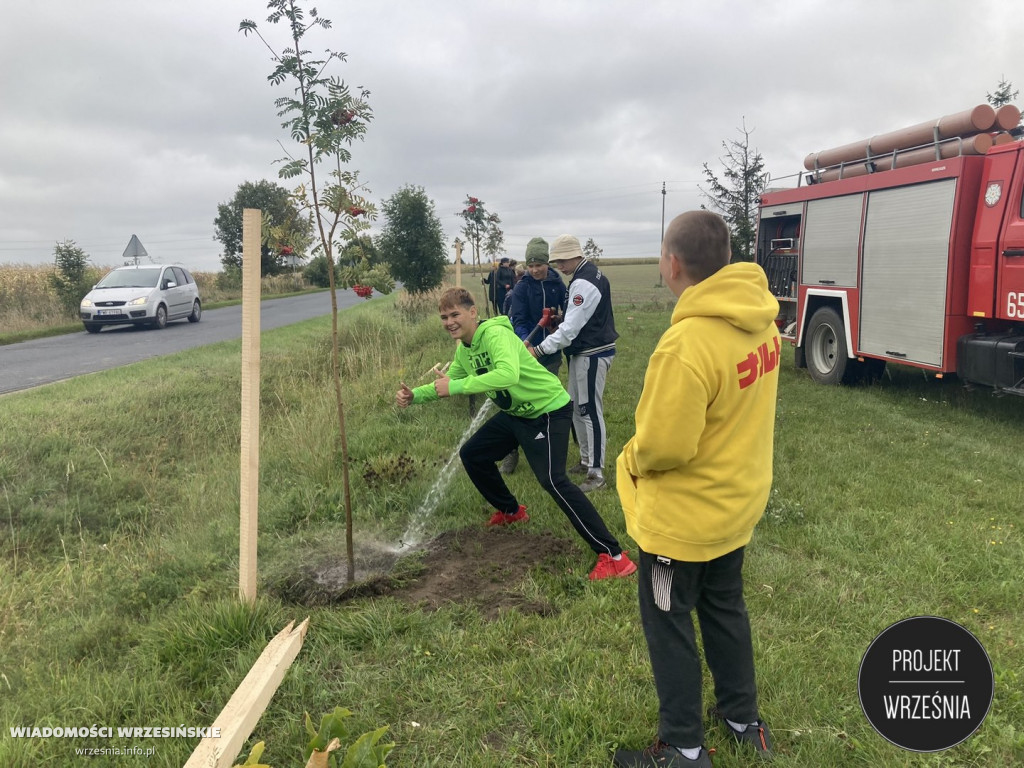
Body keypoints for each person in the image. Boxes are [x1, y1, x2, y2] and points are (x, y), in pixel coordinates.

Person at [612, 211, 780, 767]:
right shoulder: (760, 322)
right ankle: (742, 719)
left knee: (668, 621)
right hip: (735, 509)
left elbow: (665, 446)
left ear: (673, 263)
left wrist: (631, 456)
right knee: (725, 606)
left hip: (677, 534)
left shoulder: (685, 345)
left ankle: (683, 747)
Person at [395, 286, 636, 581]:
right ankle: (511, 511)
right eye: (444, 317)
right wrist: (415, 395)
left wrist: (456, 387)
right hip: (518, 414)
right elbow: (453, 379)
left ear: (473, 313)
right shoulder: (465, 348)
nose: (449, 322)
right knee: (473, 454)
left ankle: (614, 556)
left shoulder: (495, 335)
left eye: (454, 314)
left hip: (547, 411)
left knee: (553, 480)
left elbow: (507, 374)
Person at [530, 234, 617, 494]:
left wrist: (540, 349)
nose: (558, 266)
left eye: (560, 260)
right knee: (578, 408)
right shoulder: (586, 276)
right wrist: (560, 317)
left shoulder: (583, 283)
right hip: (584, 351)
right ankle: (586, 460)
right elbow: (576, 319)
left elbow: (570, 330)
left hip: (592, 352)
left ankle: (596, 473)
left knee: (590, 409)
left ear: (573, 255)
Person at [498, 237, 567, 475]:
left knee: (547, 400)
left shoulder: (558, 285)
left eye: (540, 264)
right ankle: (510, 452)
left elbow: (567, 314)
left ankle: (544, 448)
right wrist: (527, 347)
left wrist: (558, 323)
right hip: (526, 353)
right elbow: (518, 321)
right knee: (518, 401)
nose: (535, 269)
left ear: (548, 262)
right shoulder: (522, 288)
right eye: (531, 265)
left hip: (550, 353)